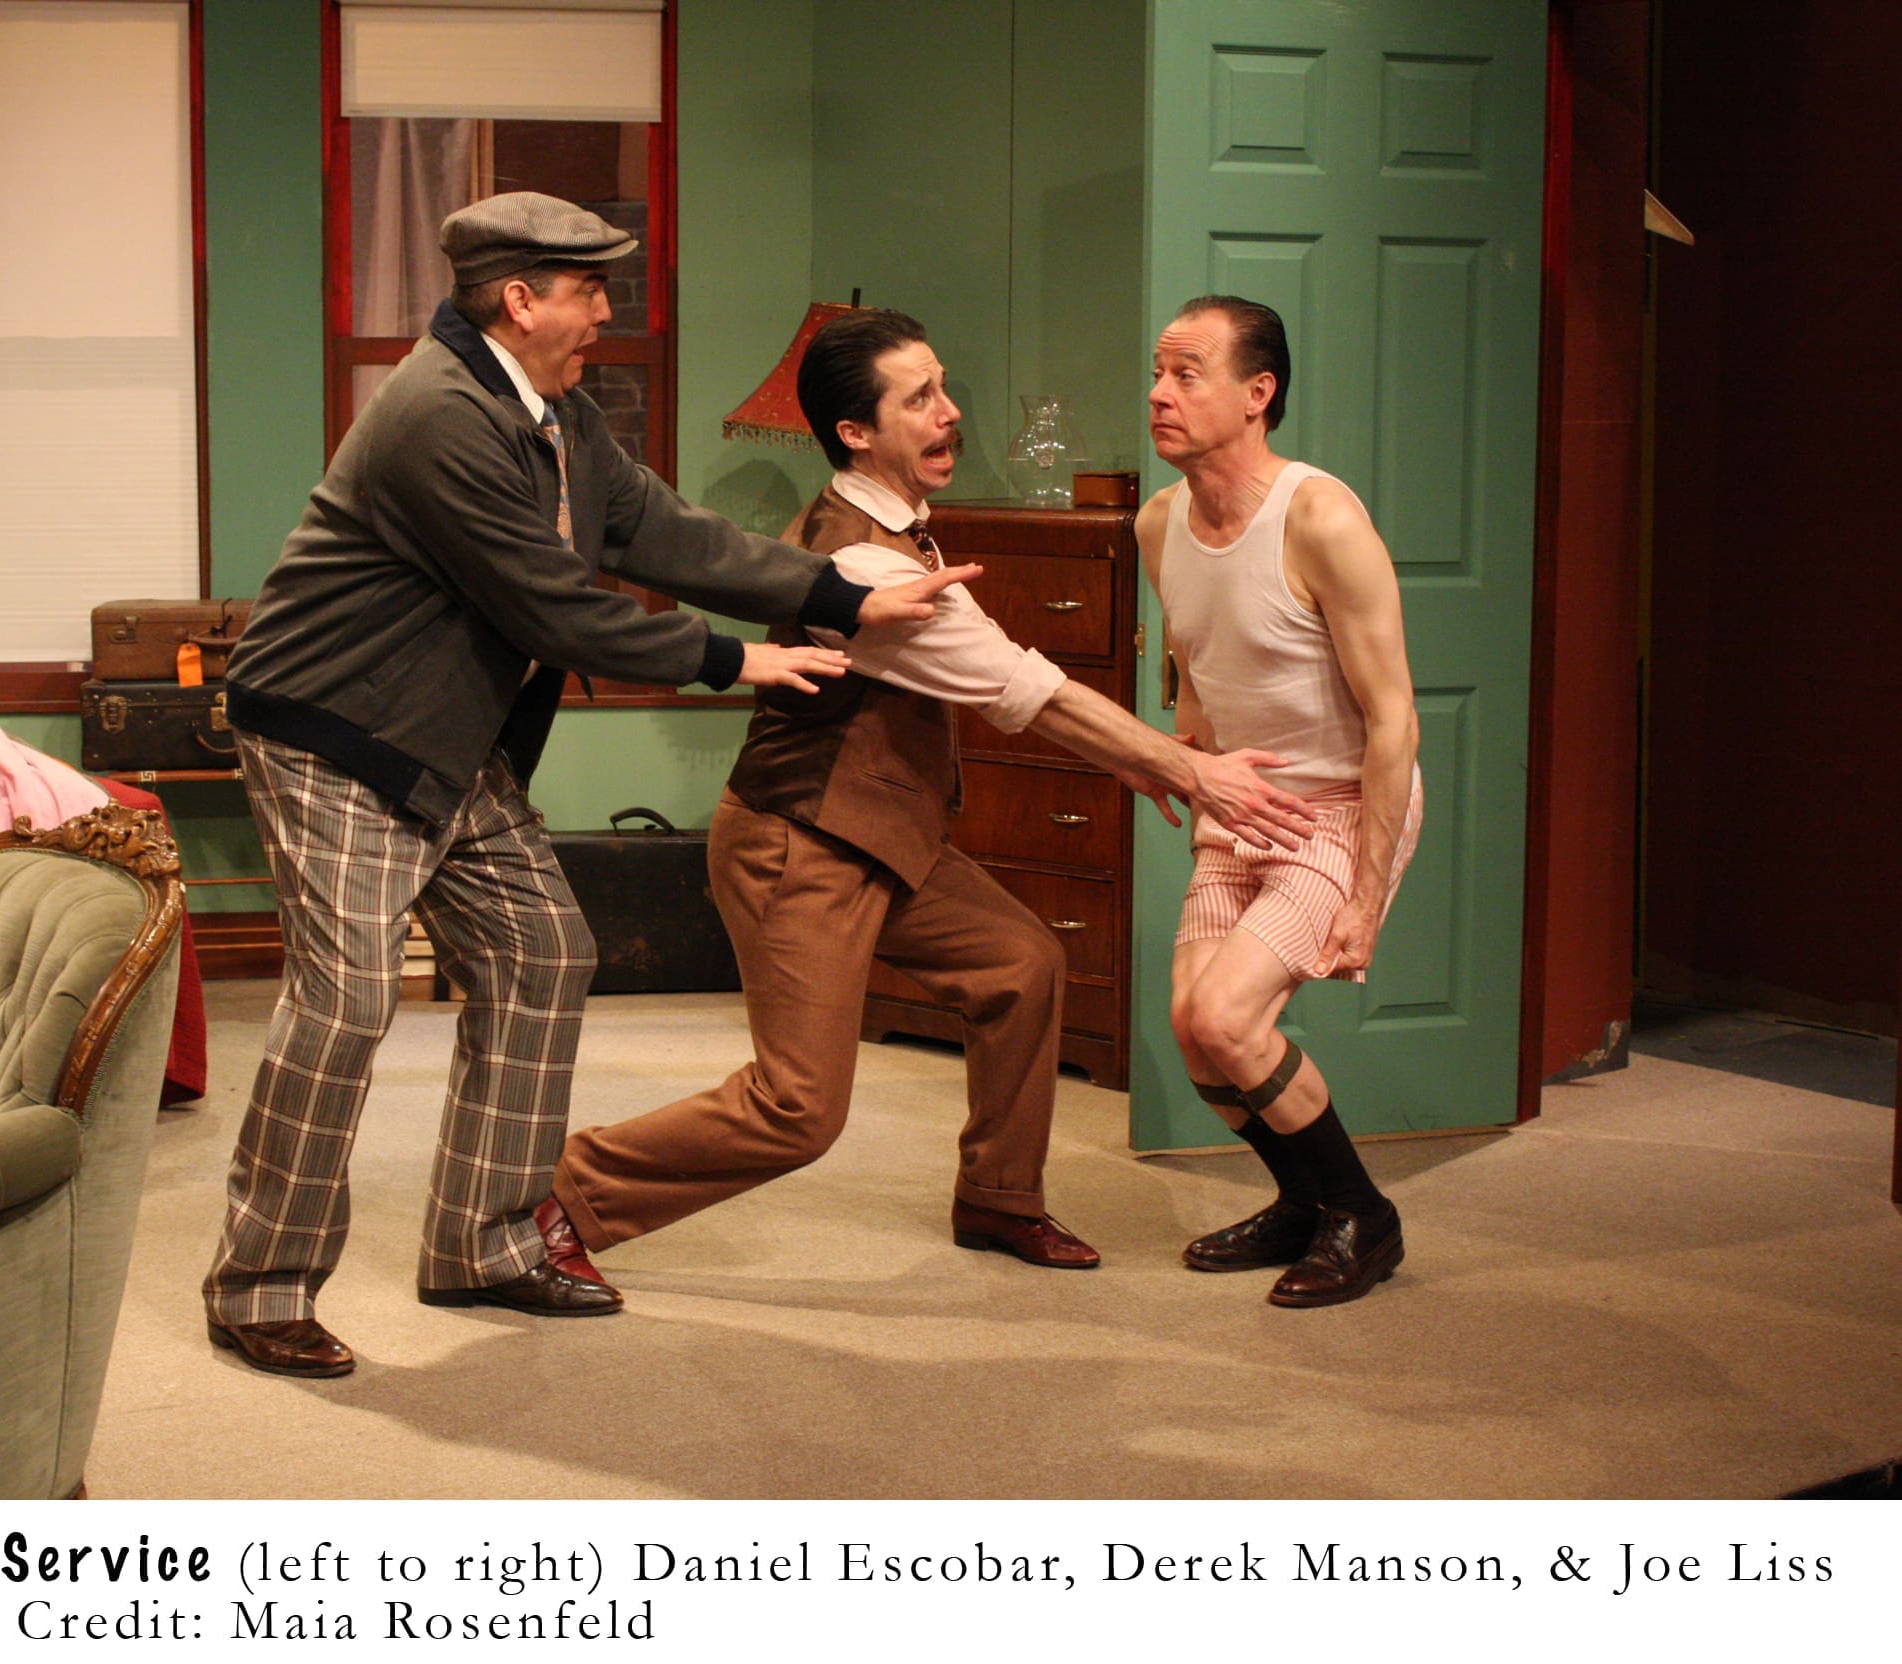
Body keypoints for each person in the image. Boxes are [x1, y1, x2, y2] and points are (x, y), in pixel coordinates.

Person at [202, 195, 965, 1379]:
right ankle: (259, 1283)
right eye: (589, 289)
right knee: (347, 1000)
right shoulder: (437, 415)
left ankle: (484, 1241)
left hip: (449, 739)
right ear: (520, 299)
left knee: (543, 951)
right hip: (338, 733)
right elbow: (548, 606)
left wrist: (838, 594)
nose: (607, 311)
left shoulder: (553, 411)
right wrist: (735, 658)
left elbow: (662, 530)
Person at [537, 309, 1316, 1292]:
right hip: (797, 842)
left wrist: (1138, 760)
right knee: (797, 1108)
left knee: (1020, 966)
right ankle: (562, 1197)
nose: (951, 412)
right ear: (855, 432)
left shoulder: (905, 531)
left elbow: (998, 663)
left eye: (944, 388)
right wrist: (1188, 768)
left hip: (882, 835)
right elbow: (1018, 684)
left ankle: (999, 1196)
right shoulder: (859, 560)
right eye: (920, 399)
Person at [1139, 294, 1423, 1308]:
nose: (1160, 393)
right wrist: (1177, 756)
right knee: (1193, 1026)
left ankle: (1363, 1215)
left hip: (1340, 806)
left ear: (1258, 393)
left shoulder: (1319, 517)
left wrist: (1367, 895)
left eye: (1186, 374)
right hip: (1242, 805)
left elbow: (1393, 718)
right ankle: (1302, 1202)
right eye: (1158, 373)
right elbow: (1197, 670)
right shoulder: (1158, 521)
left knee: (1228, 1015)